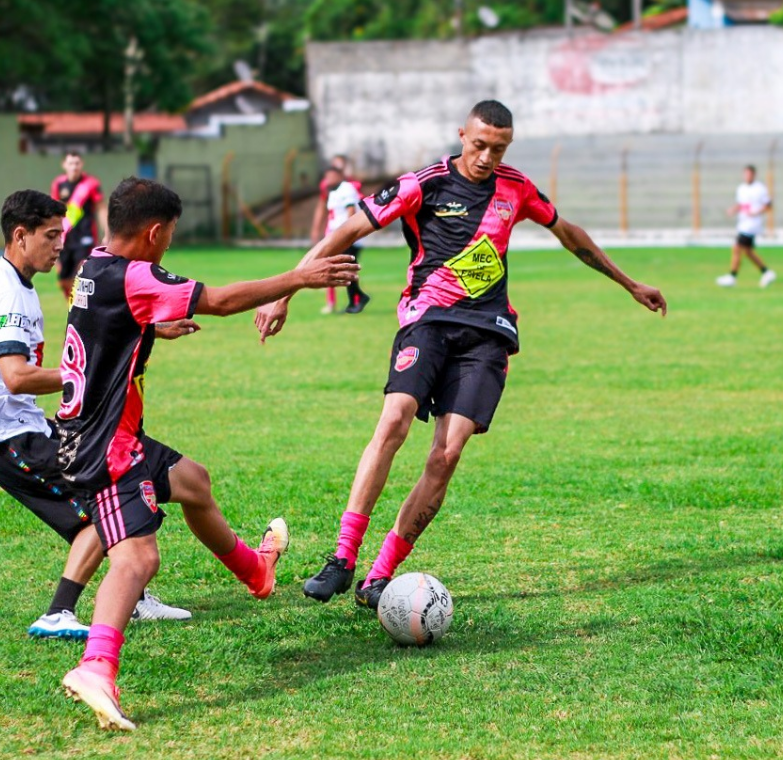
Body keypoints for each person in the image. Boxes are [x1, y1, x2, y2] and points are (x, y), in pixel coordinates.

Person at [253, 100, 667, 609]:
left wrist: (628, 283)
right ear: (462, 136)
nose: (488, 156)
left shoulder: (515, 188)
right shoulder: (423, 184)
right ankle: (342, 558)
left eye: (499, 148)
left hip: (488, 335)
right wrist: (285, 291)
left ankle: (380, 577)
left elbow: (568, 233)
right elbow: (345, 233)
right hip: (427, 321)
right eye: (479, 145)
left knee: (446, 455)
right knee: (395, 421)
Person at [54, 178, 359, 730]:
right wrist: (300, 277)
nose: (168, 247)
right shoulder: (137, 274)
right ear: (152, 233)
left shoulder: (95, 264)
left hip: (94, 430)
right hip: (107, 445)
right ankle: (96, 666)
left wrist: (151, 328)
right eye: (168, 238)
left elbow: (109, 326)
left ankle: (257, 572)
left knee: (193, 481)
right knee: (139, 559)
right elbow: (217, 301)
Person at [0, 190, 193, 642]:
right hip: (9, 435)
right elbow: (17, 377)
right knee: (103, 510)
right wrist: (84, 377)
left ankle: (133, 596)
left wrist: (147, 329)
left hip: (16, 427)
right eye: (50, 235)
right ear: (20, 236)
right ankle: (60, 612)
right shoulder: (11, 297)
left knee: (110, 497)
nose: (61, 244)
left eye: (62, 233)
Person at [50, 152, 108, 301]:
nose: (74, 167)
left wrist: (107, 233)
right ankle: (74, 307)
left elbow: (101, 208)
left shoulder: (91, 184)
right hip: (66, 238)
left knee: (81, 274)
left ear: (81, 164)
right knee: (64, 280)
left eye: (77, 163)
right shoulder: (58, 184)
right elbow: (54, 211)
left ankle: (85, 309)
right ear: (64, 165)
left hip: (86, 236)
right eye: (71, 163)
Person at [310, 154, 362, 313]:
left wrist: (351, 231)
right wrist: (316, 228)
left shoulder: (350, 186)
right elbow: (322, 206)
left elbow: (354, 208)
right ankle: (335, 302)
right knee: (331, 266)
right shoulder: (329, 187)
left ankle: (356, 300)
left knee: (341, 268)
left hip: (344, 233)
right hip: (332, 232)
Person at [716, 165, 776, 288]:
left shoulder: (760, 188)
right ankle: (766, 272)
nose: (747, 176)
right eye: (745, 174)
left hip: (752, 225)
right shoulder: (741, 188)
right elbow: (742, 204)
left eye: (749, 174)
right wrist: (733, 209)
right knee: (747, 252)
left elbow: (768, 205)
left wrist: (756, 213)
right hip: (743, 223)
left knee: (737, 247)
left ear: (754, 175)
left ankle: (732, 276)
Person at [323, 165, 371, 313]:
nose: (328, 180)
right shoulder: (333, 191)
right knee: (344, 270)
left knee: (347, 270)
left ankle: (358, 299)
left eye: (331, 176)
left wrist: (347, 234)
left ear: (339, 176)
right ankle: (355, 300)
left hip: (348, 238)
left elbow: (351, 211)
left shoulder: (346, 188)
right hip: (338, 236)